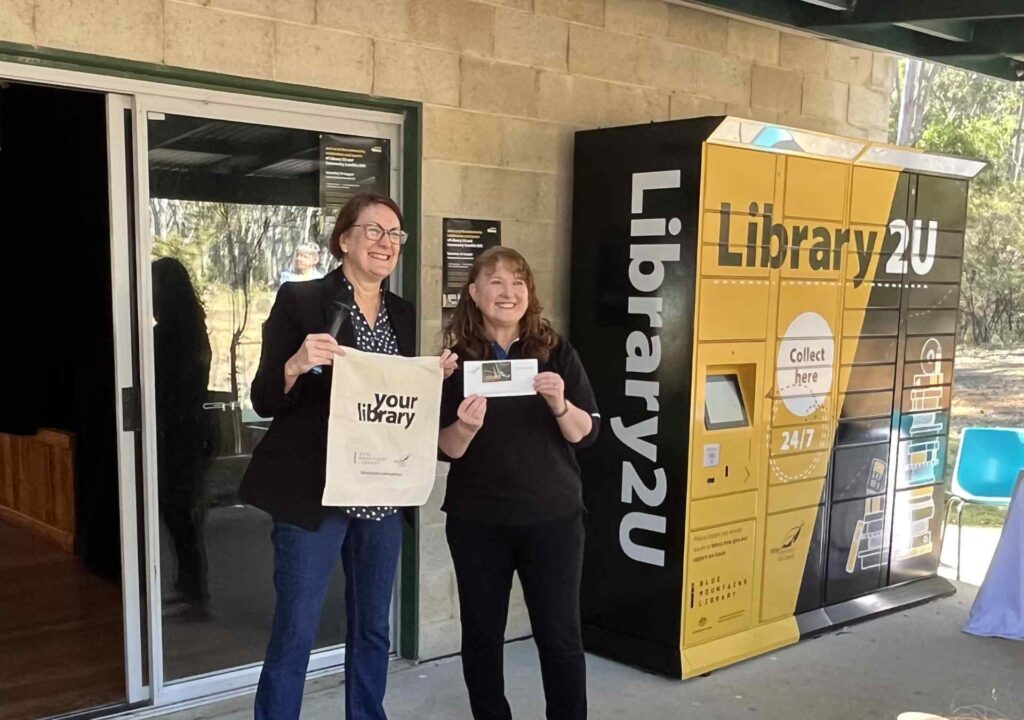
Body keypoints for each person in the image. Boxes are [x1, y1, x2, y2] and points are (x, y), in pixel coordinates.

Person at [239, 193, 457, 720]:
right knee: (296, 627)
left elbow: (396, 397)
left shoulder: (401, 314)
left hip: (380, 489)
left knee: (373, 628)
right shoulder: (301, 301)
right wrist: (295, 363)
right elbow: (265, 396)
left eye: (395, 235)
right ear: (345, 240)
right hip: (314, 487)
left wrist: (434, 380)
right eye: (374, 231)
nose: (387, 243)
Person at [438, 247, 600, 720]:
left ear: (529, 294)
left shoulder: (555, 352)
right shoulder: (455, 361)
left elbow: (587, 434)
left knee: (560, 636)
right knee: (482, 638)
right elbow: (442, 448)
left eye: (518, 283)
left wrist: (560, 405)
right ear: (473, 292)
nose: (508, 292)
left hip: (552, 519)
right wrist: (464, 428)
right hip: (477, 522)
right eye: (495, 281)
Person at [152, 257, 216, 616]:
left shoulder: (168, 335)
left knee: (178, 509)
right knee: (184, 509)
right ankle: (190, 586)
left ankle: (194, 590)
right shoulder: (194, 327)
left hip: (181, 432)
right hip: (196, 429)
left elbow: (167, 387)